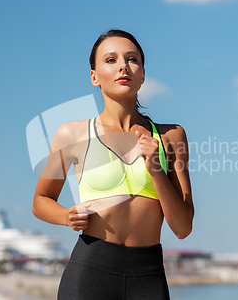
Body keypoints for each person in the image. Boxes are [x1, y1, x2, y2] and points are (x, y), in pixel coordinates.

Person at [33, 29, 194, 300]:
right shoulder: (72, 134)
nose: (123, 66)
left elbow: (182, 228)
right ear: (94, 77)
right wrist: (66, 216)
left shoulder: (171, 136)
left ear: (142, 74)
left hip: (149, 277)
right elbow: (40, 200)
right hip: (89, 272)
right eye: (111, 59)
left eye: (132, 59)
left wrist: (156, 169)